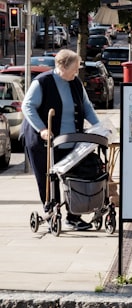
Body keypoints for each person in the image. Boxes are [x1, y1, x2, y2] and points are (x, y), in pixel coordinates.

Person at [22, 49, 101, 231]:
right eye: (74, 68)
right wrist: (42, 129)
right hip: (44, 141)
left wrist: (99, 127)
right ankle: (51, 212)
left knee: (75, 176)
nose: (77, 71)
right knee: (48, 180)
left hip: (71, 140)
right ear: (62, 66)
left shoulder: (75, 83)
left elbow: (87, 107)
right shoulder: (43, 82)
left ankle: (73, 216)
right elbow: (28, 106)